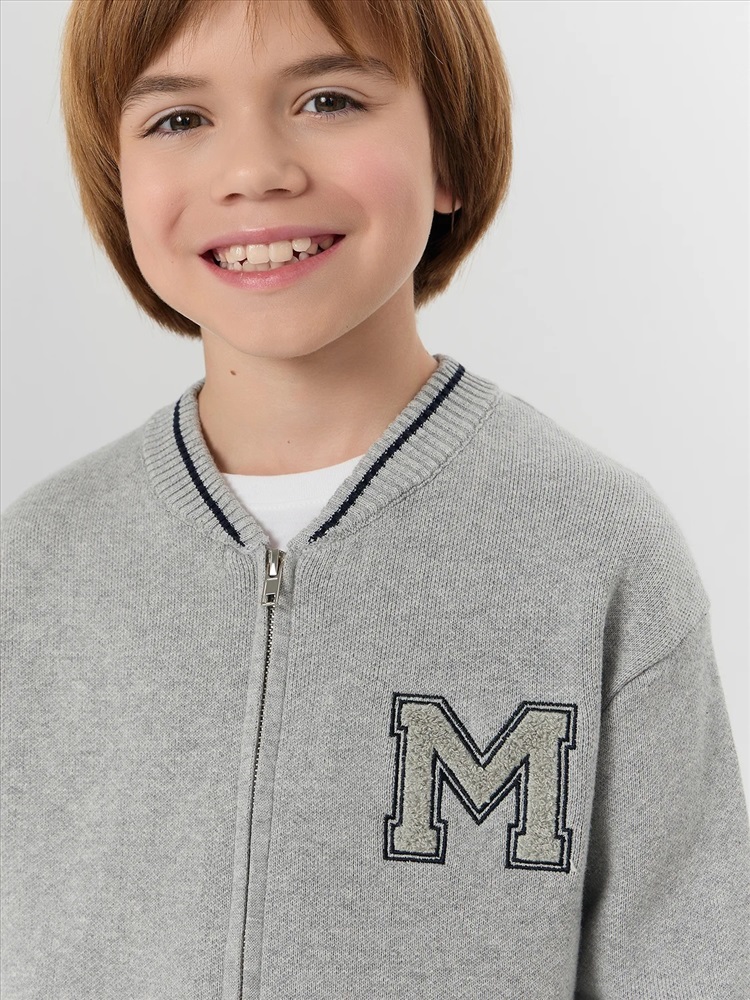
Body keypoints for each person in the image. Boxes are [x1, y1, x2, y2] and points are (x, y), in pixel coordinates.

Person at [1, 1, 747, 997]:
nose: (255, 170)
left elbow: (691, 961)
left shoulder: (595, 549)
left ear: (449, 155)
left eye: (329, 100)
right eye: (179, 119)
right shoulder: (35, 565)